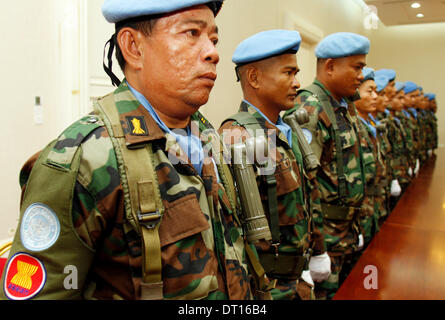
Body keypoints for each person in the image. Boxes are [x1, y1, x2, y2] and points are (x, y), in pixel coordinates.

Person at [1, 0, 255, 301]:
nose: (212, 52)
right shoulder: (82, 160)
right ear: (133, 47)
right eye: (191, 33)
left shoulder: (207, 138)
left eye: (213, 39)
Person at [218, 30, 330, 300]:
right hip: (267, 288)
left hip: (297, 282)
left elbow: (306, 198)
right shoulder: (237, 137)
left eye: (296, 73)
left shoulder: (284, 130)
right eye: (288, 73)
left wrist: (316, 251)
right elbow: (230, 235)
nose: (297, 83)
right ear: (254, 78)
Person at [284, 32, 373, 299]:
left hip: (344, 234)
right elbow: (302, 185)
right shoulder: (310, 108)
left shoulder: (341, 106)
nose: (361, 75)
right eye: (357, 67)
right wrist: (317, 249)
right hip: (326, 241)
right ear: (331, 66)